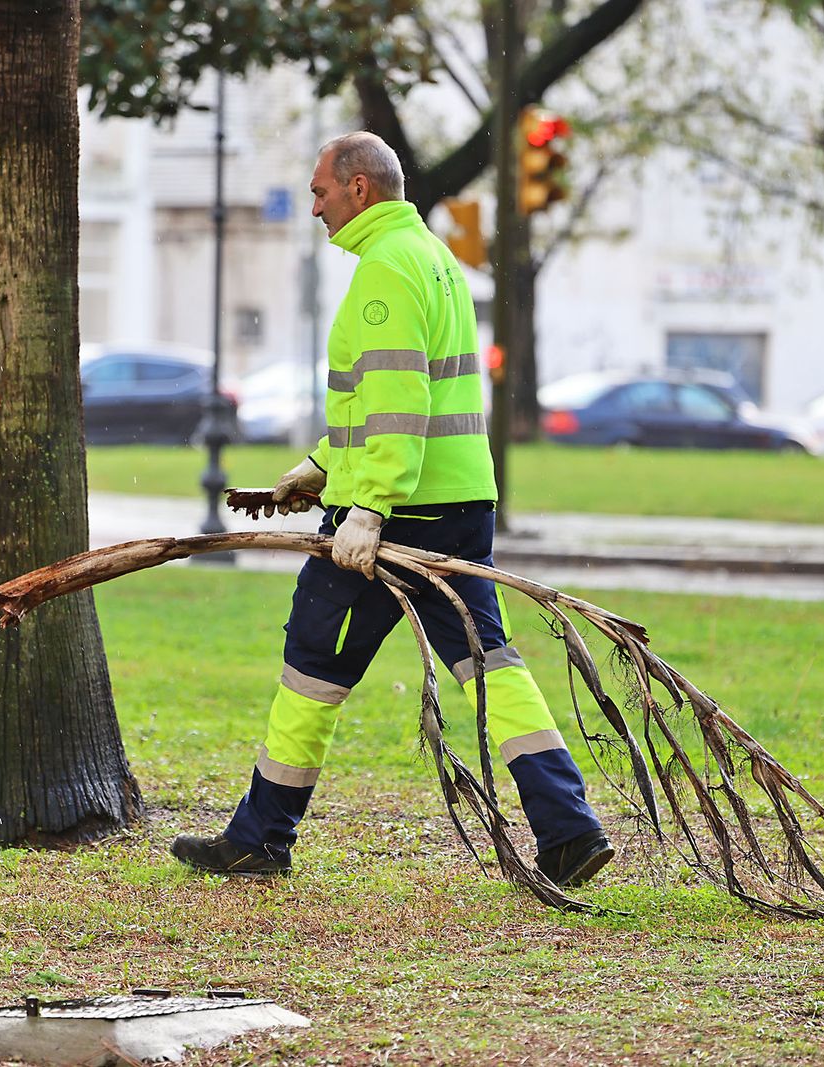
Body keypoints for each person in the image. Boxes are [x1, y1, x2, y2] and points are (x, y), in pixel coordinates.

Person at [171, 132, 614, 888]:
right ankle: (569, 828)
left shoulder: (385, 271)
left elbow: (401, 404)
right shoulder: (432, 257)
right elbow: (385, 407)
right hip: (457, 500)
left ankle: (261, 838)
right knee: (488, 663)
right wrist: (319, 467)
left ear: (360, 190)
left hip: (395, 512)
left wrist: (366, 508)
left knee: (312, 663)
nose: (314, 207)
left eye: (320, 192)